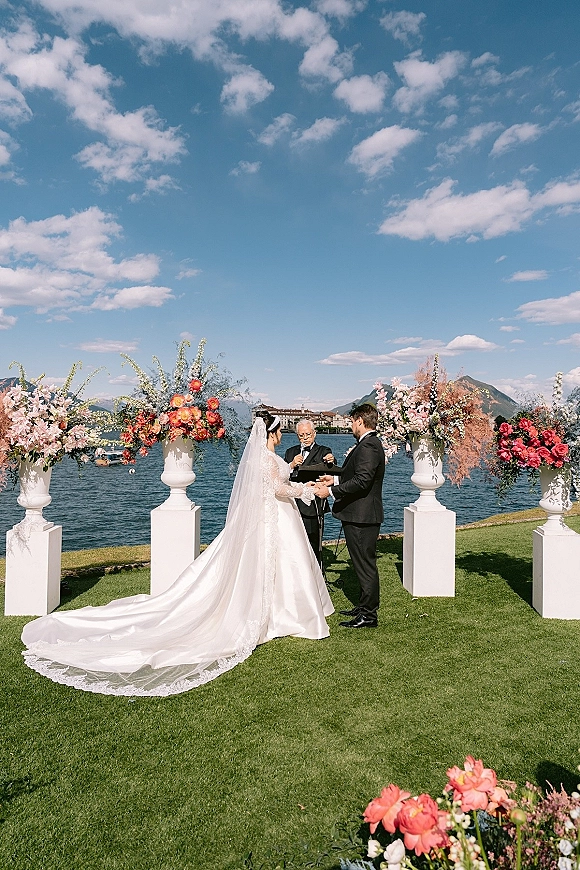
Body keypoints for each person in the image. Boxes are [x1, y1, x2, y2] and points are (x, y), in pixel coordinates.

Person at [21, 412, 334, 697]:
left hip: (274, 517)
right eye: (280, 431)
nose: (284, 435)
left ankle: (279, 611)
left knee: (272, 565)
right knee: (274, 563)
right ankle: (280, 614)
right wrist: (309, 491)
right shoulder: (267, 459)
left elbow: (275, 485)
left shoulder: (265, 458)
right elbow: (278, 490)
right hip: (275, 518)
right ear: (273, 433)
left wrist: (300, 482)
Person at [314, 403, 385, 629]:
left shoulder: (369, 446)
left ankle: (369, 615)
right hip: (359, 515)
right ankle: (364, 607)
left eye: (352, 421)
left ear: (360, 422)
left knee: (365, 566)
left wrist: (331, 491)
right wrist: (334, 480)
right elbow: (356, 475)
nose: (351, 425)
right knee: (361, 564)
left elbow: (363, 481)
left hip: (362, 517)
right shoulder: (368, 445)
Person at [284, 418, 335, 565]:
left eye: (308, 434)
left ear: (314, 434)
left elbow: (331, 469)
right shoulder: (290, 452)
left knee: (313, 544)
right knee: (293, 543)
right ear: (297, 436)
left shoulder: (323, 451)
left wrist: (330, 461)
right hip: (292, 505)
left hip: (313, 506)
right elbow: (281, 475)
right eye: (301, 435)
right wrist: (292, 464)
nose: (305, 438)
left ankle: (316, 576)